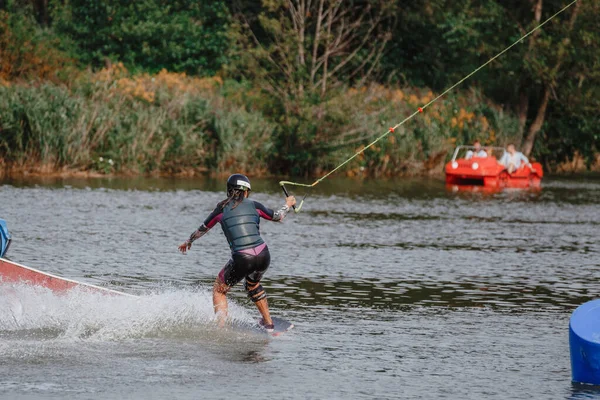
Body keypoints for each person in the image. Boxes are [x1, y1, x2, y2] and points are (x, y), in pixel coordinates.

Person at [178, 174, 296, 332]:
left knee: (219, 290)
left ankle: (220, 329)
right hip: (263, 255)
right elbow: (278, 216)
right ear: (246, 192)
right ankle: (269, 324)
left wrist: (188, 241)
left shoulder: (221, 208)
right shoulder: (255, 205)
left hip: (242, 258)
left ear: (229, 191)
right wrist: (288, 204)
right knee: (252, 285)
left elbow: (202, 229)